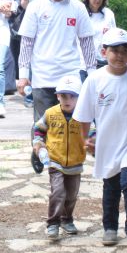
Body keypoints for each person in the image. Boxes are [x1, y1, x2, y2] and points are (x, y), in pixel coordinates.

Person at [73, 28, 127, 253]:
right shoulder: (94, 80)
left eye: (124, 50)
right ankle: (109, 227)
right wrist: (86, 141)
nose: (120, 55)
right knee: (111, 185)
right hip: (108, 141)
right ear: (104, 52)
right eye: (114, 50)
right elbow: (82, 116)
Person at [16, 0, 96, 123]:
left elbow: (86, 42)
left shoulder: (78, 8)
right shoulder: (35, 7)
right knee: (42, 127)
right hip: (42, 77)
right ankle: (39, 150)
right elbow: (26, 43)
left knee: (71, 128)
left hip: (70, 77)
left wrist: (93, 75)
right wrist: (23, 75)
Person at [32, 74, 86, 240]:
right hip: (55, 160)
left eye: (72, 96)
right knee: (58, 192)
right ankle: (53, 223)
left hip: (75, 162)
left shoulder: (84, 115)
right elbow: (38, 130)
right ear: (57, 96)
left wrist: (94, 143)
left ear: (80, 97)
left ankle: (67, 218)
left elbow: (91, 133)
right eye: (63, 96)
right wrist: (39, 145)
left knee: (71, 195)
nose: (67, 99)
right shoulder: (50, 114)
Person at [82, 0, 116, 71]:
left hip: (104, 62)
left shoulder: (109, 14)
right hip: (84, 63)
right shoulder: (81, 14)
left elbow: (113, 39)